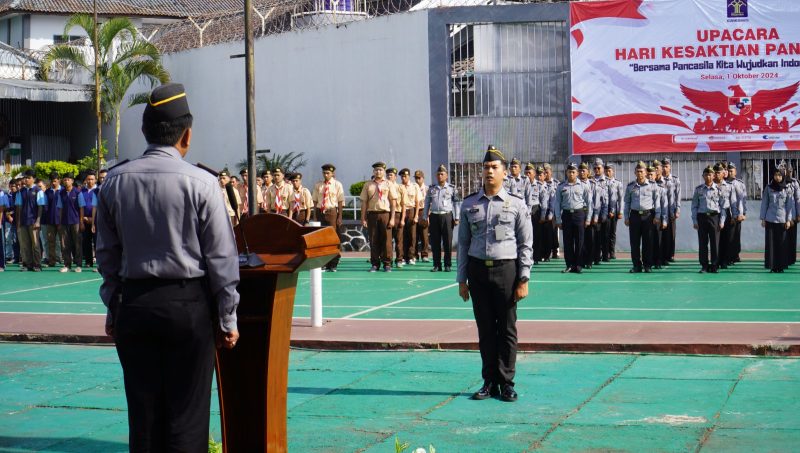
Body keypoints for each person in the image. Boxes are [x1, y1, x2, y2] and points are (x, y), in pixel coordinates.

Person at [95, 83, 240, 451]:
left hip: (136, 305)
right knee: (187, 420)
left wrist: (114, 305)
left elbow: (106, 256)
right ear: (187, 135)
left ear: (145, 132)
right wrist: (227, 318)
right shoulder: (203, 183)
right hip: (187, 306)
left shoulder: (115, 181)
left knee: (143, 418)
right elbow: (222, 259)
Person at [457, 146, 532, 403]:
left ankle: (507, 382)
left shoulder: (516, 204)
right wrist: (461, 280)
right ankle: (489, 381)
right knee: (486, 330)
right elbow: (463, 245)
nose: (489, 171)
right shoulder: (469, 204)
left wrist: (523, 278)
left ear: (504, 173)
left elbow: (525, 244)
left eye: (495, 167)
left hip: (506, 272)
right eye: (486, 167)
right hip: (478, 272)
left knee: (508, 330)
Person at [554, 163, 592, 274]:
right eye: (569, 172)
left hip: (579, 214)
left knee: (580, 241)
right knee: (568, 241)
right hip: (566, 215)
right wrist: (558, 219)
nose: (571, 174)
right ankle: (569, 265)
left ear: (577, 173)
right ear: (566, 172)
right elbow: (557, 203)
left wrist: (588, 218)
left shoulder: (583, 186)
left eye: (573, 172)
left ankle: (579, 265)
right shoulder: (561, 186)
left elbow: (589, 203)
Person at [360, 162, 397, 272]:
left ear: (384, 171)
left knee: (387, 240)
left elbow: (393, 202)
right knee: (373, 239)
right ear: (373, 171)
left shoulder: (389, 184)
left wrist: (392, 218)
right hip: (372, 215)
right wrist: (363, 218)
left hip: (385, 214)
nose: (378, 172)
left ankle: (387, 263)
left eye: (380, 170)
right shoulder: (368, 185)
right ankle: (375, 264)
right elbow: (364, 203)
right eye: (376, 170)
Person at [624, 162, 661, 273]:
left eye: (642, 171)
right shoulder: (630, 186)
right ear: (635, 172)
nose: (640, 173)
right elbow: (627, 202)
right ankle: (636, 265)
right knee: (634, 242)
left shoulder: (653, 185)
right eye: (638, 171)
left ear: (645, 173)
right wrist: (626, 216)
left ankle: (647, 265)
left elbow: (657, 201)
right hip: (634, 216)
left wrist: (657, 215)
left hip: (648, 216)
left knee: (648, 242)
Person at [423, 164, 460, 272]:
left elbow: (456, 204)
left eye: (442, 174)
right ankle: (436, 264)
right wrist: (425, 215)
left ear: (446, 176)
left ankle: (447, 264)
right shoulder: (431, 189)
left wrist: (457, 217)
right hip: (434, 216)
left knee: (447, 241)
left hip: (447, 216)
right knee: (435, 242)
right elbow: (427, 203)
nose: (440, 176)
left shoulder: (452, 188)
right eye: (438, 174)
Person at [760, 168, 794, 272]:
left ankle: (781, 266)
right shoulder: (768, 188)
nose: (777, 177)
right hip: (770, 219)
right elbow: (764, 203)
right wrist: (763, 218)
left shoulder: (787, 188)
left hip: (782, 219)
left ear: (783, 176)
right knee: (771, 244)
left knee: (781, 244)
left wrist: (788, 220)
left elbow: (789, 205)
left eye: (779, 175)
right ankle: (772, 266)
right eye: (775, 175)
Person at [691, 166, 725, 273]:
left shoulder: (719, 190)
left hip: (715, 217)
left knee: (715, 243)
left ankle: (714, 265)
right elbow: (694, 206)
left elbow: (723, 206)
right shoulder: (699, 189)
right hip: (702, 217)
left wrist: (722, 221)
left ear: (714, 176)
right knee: (703, 243)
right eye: (706, 175)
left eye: (710, 174)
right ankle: (704, 265)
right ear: (703, 176)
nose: (708, 177)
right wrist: (695, 221)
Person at [312, 163, 345, 271]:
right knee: (322, 239)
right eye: (324, 173)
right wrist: (315, 216)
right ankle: (324, 263)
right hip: (321, 212)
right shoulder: (318, 185)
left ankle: (333, 263)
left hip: (332, 213)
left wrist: (339, 216)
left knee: (333, 238)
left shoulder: (337, 185)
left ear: (332, 173)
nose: (325, 175)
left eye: (328, 173)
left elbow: (340, 201)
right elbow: (315, 201)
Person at [15, 169, 45, 272]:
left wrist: (38, 220)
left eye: (28, 178)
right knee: (25, 245)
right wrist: (18, 222)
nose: (26, 180)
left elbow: (40, 207)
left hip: (33, 221)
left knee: (35, 244)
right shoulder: (21, 191)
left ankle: (37, 265)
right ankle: (27, 264)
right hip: (23, 222)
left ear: (34, 179)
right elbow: (18, 207)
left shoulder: (38, 190)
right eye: (25, 178)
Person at [56, 173, 84, 272]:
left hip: (76, 221)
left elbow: (81, 208)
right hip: (64, 222)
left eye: (68, 179)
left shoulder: (78, 192)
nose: (66, 181)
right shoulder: (61, 193)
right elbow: (60, 208)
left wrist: (81, 222)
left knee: (77, 243)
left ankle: (79, 264)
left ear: (72, 181)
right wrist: (59, 222)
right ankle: (67, 265)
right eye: (65, 180)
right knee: (64, 244)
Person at [713, 163, 738, 269]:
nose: (716, 174)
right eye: (715, 172)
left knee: (725, 238)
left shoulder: (729, 186)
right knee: (715, 239)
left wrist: (734, 215)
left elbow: (733, 202)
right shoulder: (710, 185)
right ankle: (715, 261)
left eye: (719, 172)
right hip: (714, 214)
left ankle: (724, 260)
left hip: (726, 213)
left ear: (724, 173)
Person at [398, 168, 421, 266]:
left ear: (409, 176)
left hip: (411, 210)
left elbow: (417, 202)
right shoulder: (398, 187)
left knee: (412, 235)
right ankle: (402, 257)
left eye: (405, 176)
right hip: (401, 211)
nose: (403, 178)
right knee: (402, 235)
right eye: (402, 176)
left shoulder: (414, 187)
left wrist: (416, 216)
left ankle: (411, 257)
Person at [726, 163, 747, 264]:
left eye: (732, 170)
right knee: (728, 236)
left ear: (736, 171)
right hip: (727, 215)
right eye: (729, 171)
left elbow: (743, 200)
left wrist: (744, 213)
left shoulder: (740, 184)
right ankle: (729, 256)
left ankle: (736, 255)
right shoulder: (724, 184)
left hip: (738, 214)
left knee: (736, 236)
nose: (730, 172)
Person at [661, 158, 681, 263]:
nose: (664, 169)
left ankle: (671, 254)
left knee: (671, 233)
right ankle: (662, 254)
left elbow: (678, 195)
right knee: (661, 233)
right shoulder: (658, 179)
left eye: (666, 166)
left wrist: (677, 209)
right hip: (660, 210)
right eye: (663, 166)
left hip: (671, 210)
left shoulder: (675, 179)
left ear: (670, 167)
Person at [43, 172, 63, 267]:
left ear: (59, 180)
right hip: (50, 221)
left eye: (55, 181)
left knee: (62, 241)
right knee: (51, 241)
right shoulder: (47, 192)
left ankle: (61, 259)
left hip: (62, 221)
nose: (54, 183)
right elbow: (45, 207)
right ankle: (52, 260)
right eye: (52, 181)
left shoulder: (63, 190)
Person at [604, 163, 624, 260]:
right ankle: (604, 252)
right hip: (603, 210)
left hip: (614, 211)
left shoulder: (618, 183)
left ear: (613, 172)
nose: (607, 173)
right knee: (604, 232)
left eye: (609, 171)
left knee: (612, 232)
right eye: (606, 171)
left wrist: (620, 212)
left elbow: (620, 198)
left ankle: (611, 252)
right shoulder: (602, 182)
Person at [80, 171, 99, 271]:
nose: (90, 181)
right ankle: (88, 262)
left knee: (97, 242)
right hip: (85, 220)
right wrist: (82, 220)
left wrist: (93, 219)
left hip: (96, 221)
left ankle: (99, 263)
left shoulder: (99, 190)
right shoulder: (82, 191)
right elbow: (81, 207)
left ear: (95, 179)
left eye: (92, 179)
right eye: (88, 179)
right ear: (86, 180)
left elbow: (97, 206)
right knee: (86, 242)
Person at [386, 167, 404, 267]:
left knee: (398, 239)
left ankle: (399, 259)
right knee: (387, 240)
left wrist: (402, 219)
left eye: (391, 175)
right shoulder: (383, 186)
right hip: (386, 213)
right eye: (388, 175)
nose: (389, 176)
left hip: (397, 213)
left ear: (395, 177)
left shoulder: (400, 188)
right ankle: (388, 260)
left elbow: (404, 204)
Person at [414, 170, 430, 263]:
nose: (417, 180)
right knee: (414, 235)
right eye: (416, 178)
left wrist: (428, 215)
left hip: (424, 212)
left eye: (419, 178)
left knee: (424, 235)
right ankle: (414, 255)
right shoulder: (413, 188)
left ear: (423, 178)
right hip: (415, 211)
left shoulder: (427, 189)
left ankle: (424, 255)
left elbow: (431, 203)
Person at [0, 186, 8, 271]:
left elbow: (2, 208)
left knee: (1, 243)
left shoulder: (1, 193)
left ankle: (1, 264)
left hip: (0, 222)